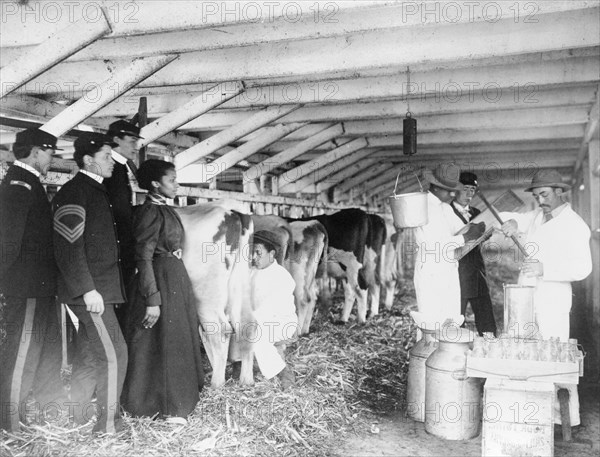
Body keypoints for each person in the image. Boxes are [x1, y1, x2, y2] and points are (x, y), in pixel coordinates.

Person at [500, 168, 592, 427]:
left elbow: (583, 268)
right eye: (537, 196)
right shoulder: (539, 215)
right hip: (527, 296)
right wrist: (513, 224)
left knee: (556, 357)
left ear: (559, 191)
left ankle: (566, 419)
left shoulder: (575, 225)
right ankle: (536, 414)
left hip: (553, 299)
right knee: (528, 353)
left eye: (544, 194)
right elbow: (519, 218)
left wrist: (546, 270)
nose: (540, 200)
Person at [52, 132, 128, 434]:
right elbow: (68, 247)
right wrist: (87, 289)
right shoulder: (76, 192)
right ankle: (109, 425)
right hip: (91, 292)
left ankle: (78, 416)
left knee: (88, 354)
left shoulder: (93, 190)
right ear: (88, 160)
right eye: (106, 157)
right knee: (115, 353)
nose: (112, 161)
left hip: (98, 290)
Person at [120, 159, 203, 423]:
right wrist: (152, 300)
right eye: (172, 180)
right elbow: (143, 257)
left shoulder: (166, 210)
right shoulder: (149, 213)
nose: (176, 185)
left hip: (174, 278)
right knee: (161, 342)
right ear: (156, 183)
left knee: (176, 339)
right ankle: (160, 406)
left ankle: (177, 402)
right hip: (158, 281)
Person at [0, 128, 67, 431]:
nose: (52, 159)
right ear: (36, 151)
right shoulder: (18, 186)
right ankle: (9, 422)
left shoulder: (29, 183)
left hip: (38, 286)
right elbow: (6, 242)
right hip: (25, 286)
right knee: (22, 352)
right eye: (51, 153)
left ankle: (26, 416)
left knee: (37, 351)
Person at [412, 164, 486, 326]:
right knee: (431, 323)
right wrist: (465, 237)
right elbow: (433, 246)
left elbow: (457, 230)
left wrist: (476, 227)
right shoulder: (423, 206)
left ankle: (448, 351)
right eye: (449, 190)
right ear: (436, 188)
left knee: (450, 320)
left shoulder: (445, 207)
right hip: (431, 273)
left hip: (449, 270)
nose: (453, 194)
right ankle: (429, 351)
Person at [248, 230, 298, 388]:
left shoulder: (281, 277)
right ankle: (240, 365)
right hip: (257, 319)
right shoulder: (251, 273)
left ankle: (284, 373)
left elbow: (269, 310)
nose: (254, 257)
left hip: (281, 322)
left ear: (271, 254)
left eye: (258, 253)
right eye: (252, 253)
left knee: (255, 334)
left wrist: (246, 317)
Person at [449, 172, 497, 336]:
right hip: (456, 272)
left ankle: (489, 348)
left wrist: (486, 235)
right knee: (456, 316)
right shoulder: (446, 212)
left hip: (476, 270)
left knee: (486, 317)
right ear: (456, 190)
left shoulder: (477, 213)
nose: (469, 193)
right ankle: (454, 351)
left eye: (473, 189)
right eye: (465, 189)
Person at [104, 120, 142, 325]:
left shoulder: (120, 168)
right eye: (132, 140)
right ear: (116, 139)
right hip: (115, 253)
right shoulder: (113, 170)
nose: (135, 146)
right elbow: (118, 213)